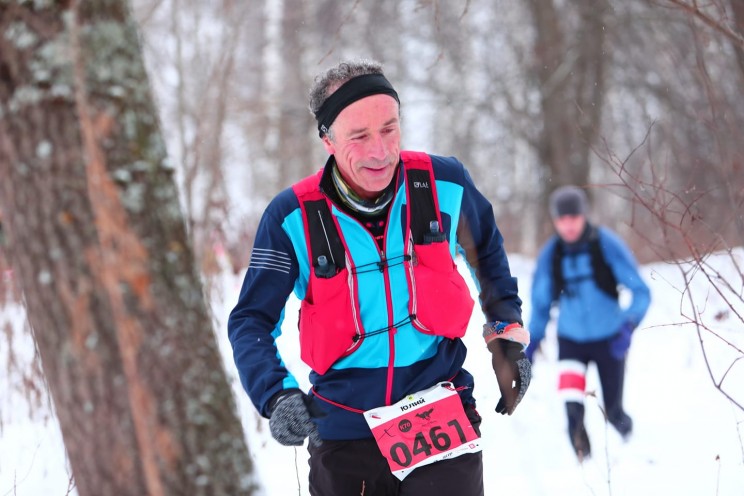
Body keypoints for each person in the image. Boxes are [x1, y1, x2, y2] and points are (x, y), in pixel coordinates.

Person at [228, 59, 531, 496]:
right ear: (328, 139)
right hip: (344, 425)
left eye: (389, 128)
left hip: (439, 408)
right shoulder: (290, 216)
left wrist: (506, 335)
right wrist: (275, 394)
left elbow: (488, 255)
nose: (380, 150)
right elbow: (250, 320)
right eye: (360, 136)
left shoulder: (444, 182)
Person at [526, 185, 651, 461]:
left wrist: (628, 326)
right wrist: (532, 342)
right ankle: (585, 471)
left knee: (613, 412)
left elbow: (641, 291)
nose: (568, 225)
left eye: (574, 218)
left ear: (584, 216)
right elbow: (540, 302)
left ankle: (632, 447)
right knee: (573, 415)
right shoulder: (552, 254)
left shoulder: (606, 244)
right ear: (555, 220)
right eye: (562, 219)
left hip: (610, 341)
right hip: (571, 342)